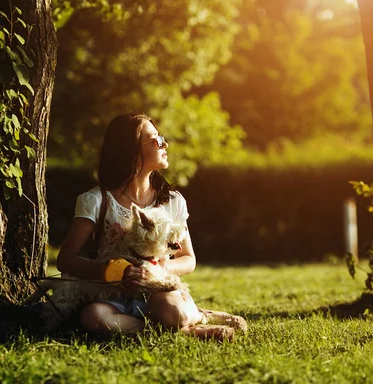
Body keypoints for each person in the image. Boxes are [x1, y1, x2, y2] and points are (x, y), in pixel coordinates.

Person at [56, 114, 246, 341]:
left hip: (159, 293)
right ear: (132, 151)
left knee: (171, 311)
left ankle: (193, 318)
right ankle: (185, 330)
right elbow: (66, 260)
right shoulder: (96, 200)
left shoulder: (173, 201)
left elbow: (188, 259)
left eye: (161, 138)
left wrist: (155, 271)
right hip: (112, 296)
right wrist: (114, 272)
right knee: (93, 316)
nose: (164, 144)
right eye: (155, 140)